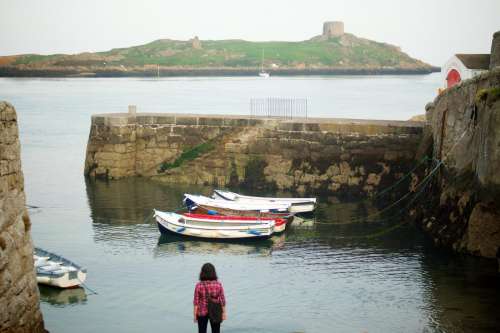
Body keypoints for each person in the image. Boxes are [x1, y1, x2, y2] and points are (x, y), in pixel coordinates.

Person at [193, 263, 227, 333]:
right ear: (213, 272)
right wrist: (223, 313)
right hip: (215, 311)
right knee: (216, 331)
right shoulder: (218, 284)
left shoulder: (199, 285)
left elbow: (196, 302)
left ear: (202, 273)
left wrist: (195, 315)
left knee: (202, 331)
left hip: (202, 312)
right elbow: (222, 300)